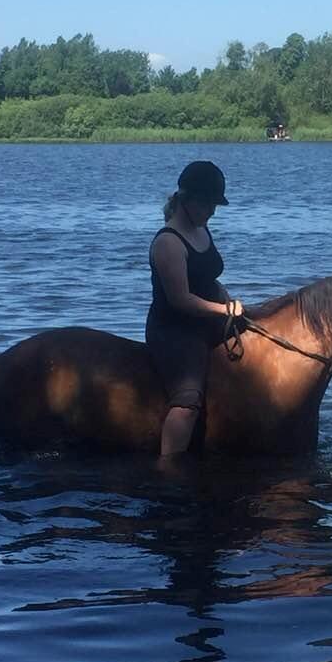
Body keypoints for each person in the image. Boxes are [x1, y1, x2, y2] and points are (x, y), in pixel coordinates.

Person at [146, 161, 243, 467]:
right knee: (187, 401)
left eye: (214, 204)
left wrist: (224, 296)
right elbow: (181, 299)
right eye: (206, 204)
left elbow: (205, 276)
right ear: (186, 201)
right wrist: (222, 308)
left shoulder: (201, 229)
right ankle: (168, 465)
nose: (211, 211)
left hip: (207, 319)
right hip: (175, 329)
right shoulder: (168, 242)